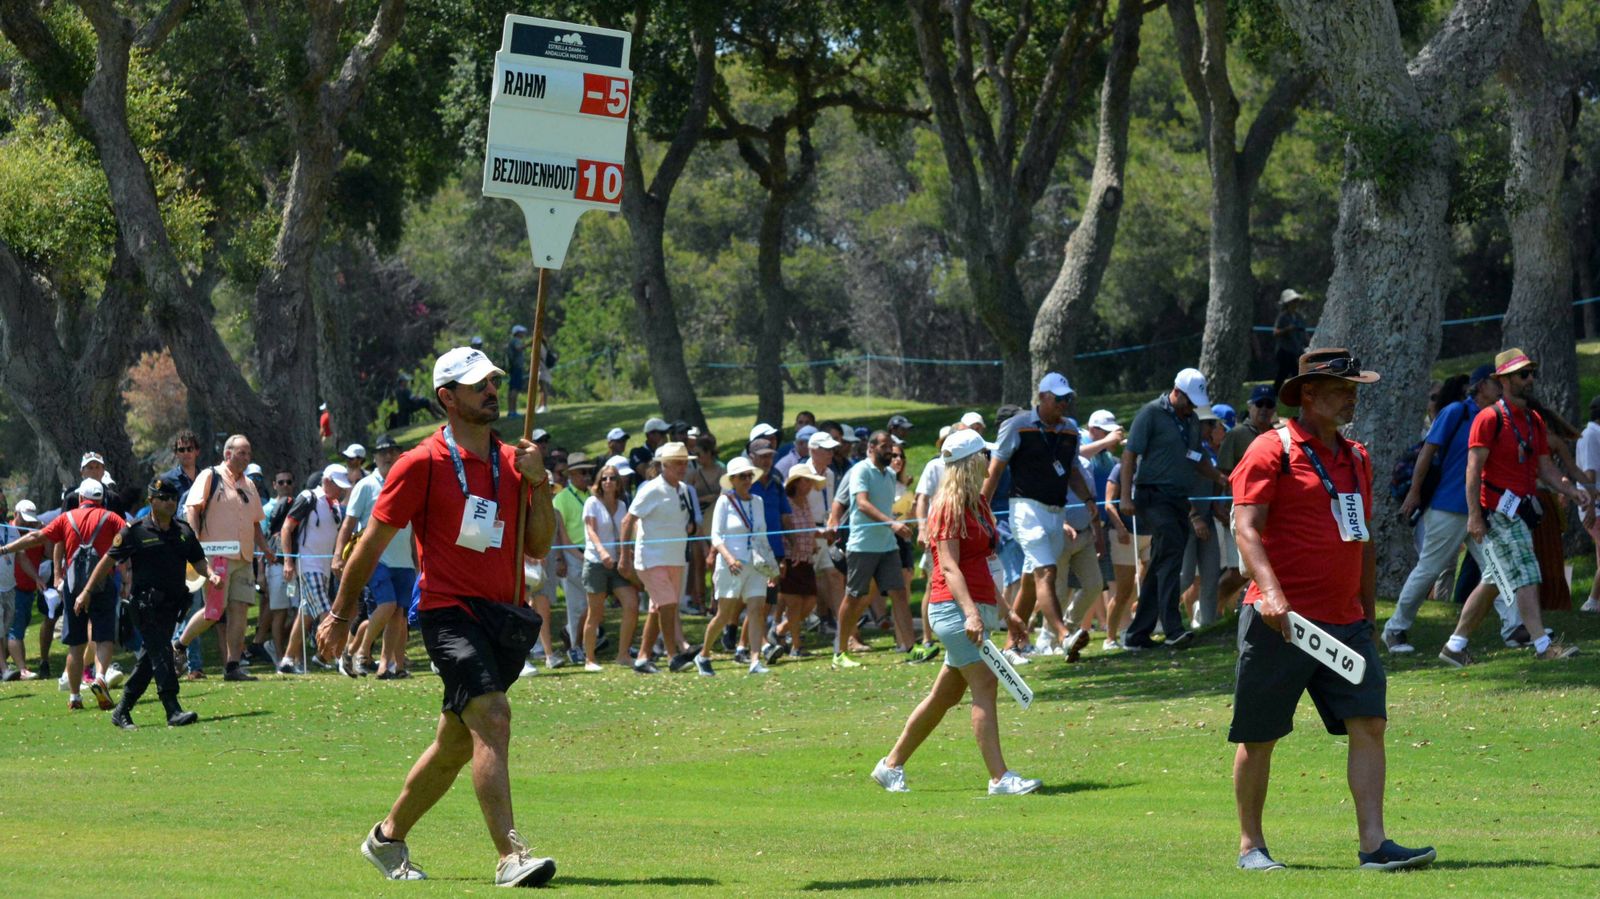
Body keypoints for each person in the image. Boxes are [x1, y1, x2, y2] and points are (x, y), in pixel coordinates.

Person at [317, 345, 559, 887]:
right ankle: (510, 856)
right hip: (448, 613)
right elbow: (370, 544)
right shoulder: (421, 463)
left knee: (455, 744)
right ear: (447, 398)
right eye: (478, 385)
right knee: (493, 717)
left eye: (493, 382)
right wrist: (338, 613)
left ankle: (386, 838)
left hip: (505, 619)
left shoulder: (515, 462)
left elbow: (538, 547)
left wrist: (538, 482)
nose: (491, 390)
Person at [1228, 346, 1435, 872]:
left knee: (1369, 721)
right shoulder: (1269, 450)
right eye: (1343, 389)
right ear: (1309, 395)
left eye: (1355, 389)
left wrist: (1367, 610)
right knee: (1260, 734)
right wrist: (1272, 592)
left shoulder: (1357, 456)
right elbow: (1245, 529)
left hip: (1346, 622)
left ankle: (1374, 845)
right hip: (1281, 622)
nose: (1352, 398)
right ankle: (1251, 846)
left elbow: (1361, 540)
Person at [871, 429, 1041, 797]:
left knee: (944, 696)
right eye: (983, 456)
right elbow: (947, 567)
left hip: (972, 607)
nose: (989, 462)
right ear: (970, 462)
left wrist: (1007, 612)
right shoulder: (946, 506)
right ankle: (999, 778)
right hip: (953, 609)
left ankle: (890, 765)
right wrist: (971, 614)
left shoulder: (976, 503)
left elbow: (979, 563)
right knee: (985, 684)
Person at [1438, 348, 1588, 665]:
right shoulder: (1489, 418)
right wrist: (1475, 518)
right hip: (1498, 513)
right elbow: (1473, 471)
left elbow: (1545, 468)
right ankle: (1543, 645)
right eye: (1523, 374)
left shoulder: (1532, 419)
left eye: (1532, 372)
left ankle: (1454, 646)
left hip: (1519, 512)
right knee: (1526, 574)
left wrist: (1572, 491)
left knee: (1493, 581)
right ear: (1504, 379)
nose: (1530, 379)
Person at [1382, 366, 1516, 652]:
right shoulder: (1456, 412)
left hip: (1479, 510)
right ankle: (1394, 630)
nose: (1501, 387)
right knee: (1429, 569)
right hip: (1448, 506)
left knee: (1497, 568)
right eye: (1495, 382)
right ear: (1481, 385)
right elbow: (1427, 453)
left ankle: (1515, 627)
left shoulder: (1495, 418)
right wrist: (1415, 493)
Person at [80, 476, 220, 728]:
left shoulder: (183, 531)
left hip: (173, 606)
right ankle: (172, 708)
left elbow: (198, 560)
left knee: (149, 661)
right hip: (146, 607)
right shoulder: (135, 531)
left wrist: (210, 574)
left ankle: (122, 710)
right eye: (164, 498)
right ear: (151, 501)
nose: (170, 502)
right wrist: (87, 591)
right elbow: (107, 561)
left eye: (173, 498)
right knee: (163, 653)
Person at [982, 372, 1101, 662]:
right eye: (1059, 399)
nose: (1064, 404)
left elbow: (1072, 470)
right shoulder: (1018, 425)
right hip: (1026, 509)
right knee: (1046, 572)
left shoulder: (1071, 430)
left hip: (1056, 511)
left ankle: (1011, 646)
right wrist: (981, 508)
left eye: (1067, 399)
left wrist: (1087, 499)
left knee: (1029, 581)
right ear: (1043, 398)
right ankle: (1063, 635)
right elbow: (995, 470)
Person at [1119, 367, 1226, 650]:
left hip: (1178, 499)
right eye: (1189, 401)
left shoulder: (1191, 420)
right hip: (1152, 496)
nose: (1192, 407)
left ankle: (1137, 634)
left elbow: (1197, 458)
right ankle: (1172, 628)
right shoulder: (1150, 413)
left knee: (1162, 561)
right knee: (1172, 550)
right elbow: (1129, 454)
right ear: (1176, 392)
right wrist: (1124, 496)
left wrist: (1220, 477)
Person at [1, 478, 126, 710]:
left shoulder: (66, 518)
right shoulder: (111, 517)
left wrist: (5, 549)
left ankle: (75, 696)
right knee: (104, 637)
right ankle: (100, 676)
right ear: (101, 499)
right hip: (102, 583)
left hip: (72, 586)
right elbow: (130, 536)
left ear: (80, 499)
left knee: (75, 644)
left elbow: (35, 537)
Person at [174, 434, 274, 681]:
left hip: (244, 557)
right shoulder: (210, 476)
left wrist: (267, 549)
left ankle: (233, 666)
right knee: (214, 611)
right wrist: (194, 544)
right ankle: (179, 646)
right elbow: (192, 509)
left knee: (240, 610)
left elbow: (255, 524)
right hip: (216, 556)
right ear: (228, 454)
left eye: (249, 453)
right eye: (242, 452)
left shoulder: (249, 485)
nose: (246, 457)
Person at [828, 430, 914, 667]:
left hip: (887, 546)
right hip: (862, 545)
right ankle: (840, 652)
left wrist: (898, 521)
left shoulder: (888, 476)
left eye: (892, 446)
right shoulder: (860, 470)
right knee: (853, 596)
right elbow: (862, 504)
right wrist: (892, 524)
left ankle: (911, 647)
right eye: (885, 446)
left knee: (899, 594)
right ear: (871, 448)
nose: (890, 450)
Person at [339, 435, 416, 678]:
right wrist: (338, 557)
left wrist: (417, 561)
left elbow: (413, 528)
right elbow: (348, 523)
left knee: (398, 615)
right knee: (387, 605)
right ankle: (358, 651)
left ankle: (387, 666)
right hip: (375, 557)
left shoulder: (407, 484)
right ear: (374, 458)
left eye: (393, 451)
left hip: (404, 560)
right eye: (383, 452)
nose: (388, 456)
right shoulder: (366, 485)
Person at [619, 442, 696, 675]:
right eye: (677, 463)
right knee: (669, 605)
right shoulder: (651, 489)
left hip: (675, 557)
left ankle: (643, 658)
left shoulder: (682, 489)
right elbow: (628, 521)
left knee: (658, 608)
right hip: (652, 558)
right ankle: (673, 656)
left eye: (684, 463)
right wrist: (624, 555)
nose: (682, 467)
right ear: (664, 465)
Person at [695, 457, 770, 675]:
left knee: (756, 609)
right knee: (725, 614)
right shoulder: (724, 502)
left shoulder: (758, 501)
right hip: (731, 565)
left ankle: (755, 660)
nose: (748, 480)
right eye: (743, 476)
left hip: (755, 563)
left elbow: (762, 535)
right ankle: (704, 655)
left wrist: (770, 567)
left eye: (750, 476)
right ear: (733, 480)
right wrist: (729, 559)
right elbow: (716, 537)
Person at [278, 464, 352, 674]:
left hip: (325, 568)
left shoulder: (335, 506)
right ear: (327, 481)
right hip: (308, 564)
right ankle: (337, 657)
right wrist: (288, 561)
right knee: (326, 611)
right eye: (338, 485)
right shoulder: (309, 497)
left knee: (306, 614)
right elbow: (286, 528)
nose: (342, 490)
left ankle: (287, 660)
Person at [582, 461, 639, 672]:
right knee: (595, 614)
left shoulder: (622, 504)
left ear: (618, 482)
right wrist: (603, 552)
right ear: (599, 481)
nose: (608, 481)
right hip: (596, 563)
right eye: (604, 478)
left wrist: (626, 552)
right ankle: (590, 659)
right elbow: (591, 530)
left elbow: (624, 532)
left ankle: (623, 654)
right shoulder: (592, 502)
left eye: (612, 478)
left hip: (617, 564)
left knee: (632, 604)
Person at [746, 439, 791, 663]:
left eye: (770, 456)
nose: (767, 460)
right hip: (752, 552)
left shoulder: (776, 483)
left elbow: (785, 518)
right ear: (751, 457)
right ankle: (758, 645)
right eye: (762, 456)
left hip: (775, 550)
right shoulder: (744, 484)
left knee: (766, 602)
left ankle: (747, 646)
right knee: (757, 600)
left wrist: (788, 547)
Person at [775, 465, 825, 659]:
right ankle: (796, 646)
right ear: (796, 482)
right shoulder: (786, 503)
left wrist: (818, 538)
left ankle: (780, 630)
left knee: (810, 601)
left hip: (806, 558)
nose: (810, 484)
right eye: (807, 480)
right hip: (790, 558)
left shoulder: (805, 503)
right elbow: (784, 529)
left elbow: (808, 529)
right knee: (794, 603)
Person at [551, 452, 593, 664]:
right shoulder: (561, 498)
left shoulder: (593, 495)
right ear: (572, 474)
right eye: (583, 472)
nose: (587, 476)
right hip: (573, 553)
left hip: (593, 553)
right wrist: (561, 558)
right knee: (577, 606)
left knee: (593, 603)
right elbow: (560, 533)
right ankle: (576, 646)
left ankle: (581, 642)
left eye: (589, 471)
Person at [4, 500, 45, 680]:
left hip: (23, 589)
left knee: (10, 629)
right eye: (25, 519)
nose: (28, 523)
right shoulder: (8, 530)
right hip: (14, 588)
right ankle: (22, 669)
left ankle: (6, 668)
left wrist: (36, 578)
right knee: (15, 630)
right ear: (15, 515)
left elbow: (26, 559)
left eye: (31, 520)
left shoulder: (29, 532)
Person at [685, 435, 725, 613]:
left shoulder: (722, 471)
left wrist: (714, 498)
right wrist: (704, 498)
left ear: (709, 453)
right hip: (699, 523)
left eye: (699, 454)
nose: (697, 458)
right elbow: (687, 496)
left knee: (716, 566)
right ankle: (700, 603)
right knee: (699, 564)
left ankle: (715, 602)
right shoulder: (694, 473)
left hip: (717, 522)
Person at [1577, 395, 1600, 613]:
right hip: (1595, 506)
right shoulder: (1591, 435)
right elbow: (1589, 473)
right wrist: (1591, 506)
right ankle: (1592, 602)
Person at [1271, 289, 1311, 394]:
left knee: (1296, 373)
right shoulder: (1282, 317)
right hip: (1284, 351)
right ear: (1287, 303)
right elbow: (1275, 332)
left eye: (1296, 301)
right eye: (1293, 301)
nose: (1295, 304)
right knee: (1283, 373)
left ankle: (1297, 394)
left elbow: (1303, 332)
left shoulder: (1299, 317)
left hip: (1296, 350)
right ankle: (1274, 394)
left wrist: (1308, 342)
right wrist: (1287, 329)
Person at [630, 418, 670, 483]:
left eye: (666, 433)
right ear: (650, 435)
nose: (665, 436)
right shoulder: (638, 452)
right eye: (662, 433)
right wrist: (659, 451)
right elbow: (648, 475)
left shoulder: (668, 451)